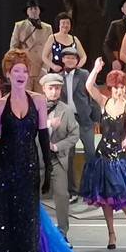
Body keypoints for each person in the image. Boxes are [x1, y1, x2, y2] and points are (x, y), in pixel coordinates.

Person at [0, 51, 105, 252]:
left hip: (28, 168)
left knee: (27, 223)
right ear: (8, 74)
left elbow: (43, 137)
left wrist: (47, 170)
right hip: (3, 170)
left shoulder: (37, 101)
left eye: (24, 71)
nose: (21, 75)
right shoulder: (0, 104)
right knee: (5, 222)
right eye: (16, 70)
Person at [83, 61, 126, 249]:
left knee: (120, 193)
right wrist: (96, 70)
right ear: (110, 88)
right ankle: (111, 234)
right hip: (103, 155)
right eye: (116, 87)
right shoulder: (104, 102)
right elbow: (89, 86)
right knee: (104, 197)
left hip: (119, 156)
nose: (119, 91)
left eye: (122, 87)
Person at [41, 72, 81, 239]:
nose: (54, 92)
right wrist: (47, 124)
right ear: (44, 89)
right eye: (51, 88)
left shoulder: (66, 110)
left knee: (62, 195)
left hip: (56, 159)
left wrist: (57, 146)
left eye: (57, 88)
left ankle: (63, 232)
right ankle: (34, 230)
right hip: (37, 158)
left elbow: (74, 134)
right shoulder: (34, 107)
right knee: (32, 195)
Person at [58, 47, 98, 198]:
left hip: (84, 119)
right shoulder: (58, 77)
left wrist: (96, 118)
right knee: (68, 155)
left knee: (91, 153)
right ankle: (72, 190)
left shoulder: (84, 74)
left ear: (77, 61)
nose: (70, 60)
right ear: (62, 60)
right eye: (67, 57)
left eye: (73, 58)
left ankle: (89, 188)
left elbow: (94, 95)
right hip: (67, 121)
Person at [62, 0, 108, 75]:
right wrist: (70, 10)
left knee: (95, 48)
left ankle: (95, 76)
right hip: (79, 18)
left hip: (95, 19)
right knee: (81, 47)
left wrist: (101, 12)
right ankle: (79, 74)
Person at [10, 0, 54, 92]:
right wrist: (17, 67)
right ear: (27, 11)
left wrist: (46, 67)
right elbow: (13, 48)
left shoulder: (47, 28)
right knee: (25, 96)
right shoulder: (19, 25)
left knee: (40, 97)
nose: (33, 11)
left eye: (35, 8)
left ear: (39, 10)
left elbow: (50, 50)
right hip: (25, 67)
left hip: (41, 68)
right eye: (31, 9)